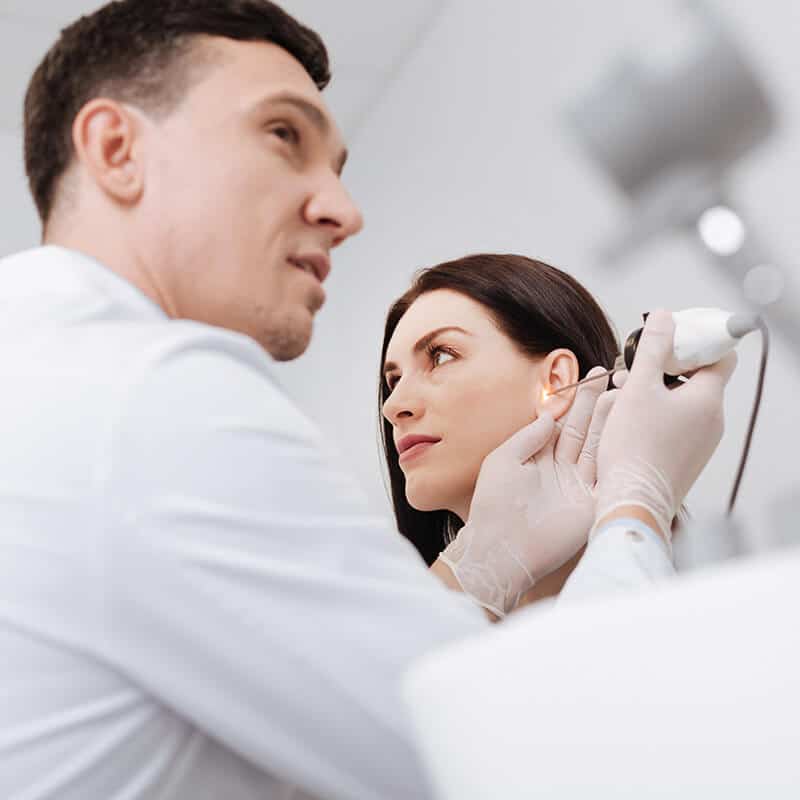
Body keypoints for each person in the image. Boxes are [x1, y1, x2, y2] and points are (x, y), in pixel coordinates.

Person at [0, 1, 736, 798]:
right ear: (116, 149)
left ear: (557, 379)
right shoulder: (146, 397)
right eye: (284, 135)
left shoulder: (49, 375)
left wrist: (484, 569)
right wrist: (635, 503)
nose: (343, 213)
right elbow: (551, 767)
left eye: (441, 356)